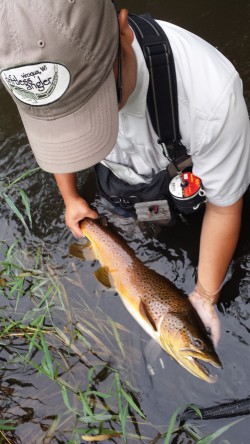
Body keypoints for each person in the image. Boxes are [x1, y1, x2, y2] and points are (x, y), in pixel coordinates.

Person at [0, 0, 249, 347]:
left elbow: (224, 207)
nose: (86, 126)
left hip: (188, 190)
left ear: (123, 32)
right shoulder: (28, 74)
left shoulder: (210, 99)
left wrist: (205, 296)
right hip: (120, 189)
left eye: (95, 104)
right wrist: (71, 198)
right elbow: (56, 142)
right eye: (65, 123)